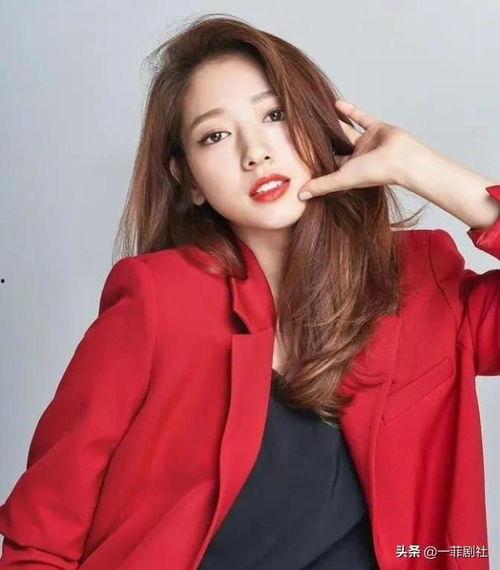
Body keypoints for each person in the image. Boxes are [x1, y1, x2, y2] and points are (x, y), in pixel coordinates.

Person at [0, 12, 498, 570]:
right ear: (188, 180)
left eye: (275, 115)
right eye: (215, 136)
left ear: (317, 124)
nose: (254, 152)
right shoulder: (157, 301)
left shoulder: (418, 277)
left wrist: (424, 170)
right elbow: (40, 539)